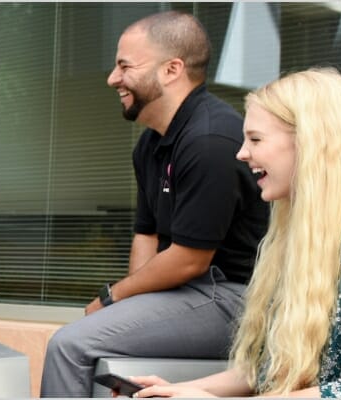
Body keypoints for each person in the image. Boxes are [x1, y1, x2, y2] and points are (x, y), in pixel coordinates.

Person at [40, 11, 269, 397]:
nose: (113, 78)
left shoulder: (210, 139)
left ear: (171, 69)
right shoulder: (150, 143)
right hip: (189, 291)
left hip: (235, 297)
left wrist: (114, 296)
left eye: (125, 66)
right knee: (94, 340)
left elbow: (190, 258)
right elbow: (146, 236)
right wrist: (126, 307)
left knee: (69, 345)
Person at [128, 68, 341, 398]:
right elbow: (269, 371)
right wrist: (179, 390)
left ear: (309, 142)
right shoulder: (299, 235)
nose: (241, 153)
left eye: (256, 139)